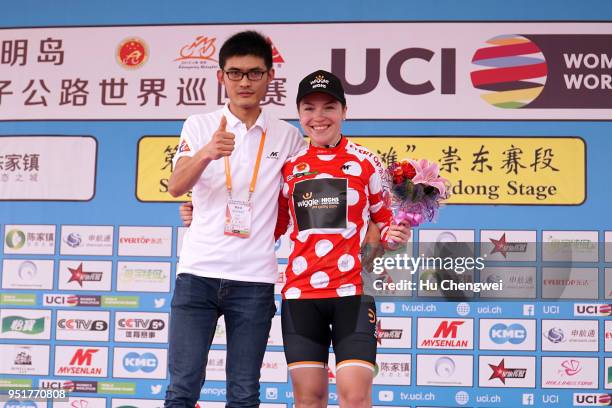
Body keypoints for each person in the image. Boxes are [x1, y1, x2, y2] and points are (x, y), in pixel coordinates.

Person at [180, 70, 410, 408]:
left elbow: (386, 224)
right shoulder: (289, 167)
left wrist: (397, 236)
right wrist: (200, 216)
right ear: (299, 114)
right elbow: (264, 224)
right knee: (308, 400)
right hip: (301, 296)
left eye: (329, 107)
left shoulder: (366, 162)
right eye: (309, 108)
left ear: (344, 111)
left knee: (356, 397)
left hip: (354, 294)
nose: (319, 117)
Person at [165, 30, 306, 408]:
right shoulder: (198, 125)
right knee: (182, 389)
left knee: (244, 393)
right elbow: (176, 186)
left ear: (269, 76)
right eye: (236, 73)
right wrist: (207, 153)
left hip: (254, 279)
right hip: (197, 273)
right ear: (221, 77)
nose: (245, 82)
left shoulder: (288, 136)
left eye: (254, 73)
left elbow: (302, 199)